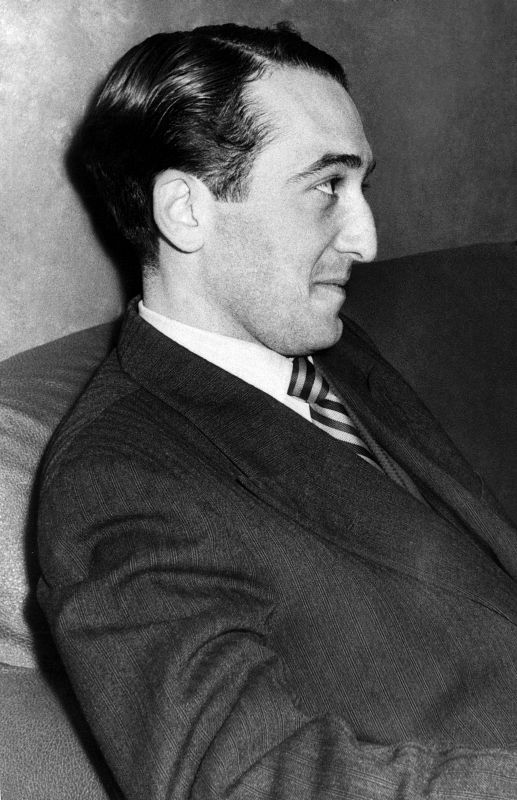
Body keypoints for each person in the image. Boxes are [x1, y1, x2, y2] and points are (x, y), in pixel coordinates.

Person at [37, 22, 517, 800]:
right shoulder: (113, 479)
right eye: (326, 186)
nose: (365, 239)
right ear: (184, 209)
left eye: (361, 187)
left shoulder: (328, 348)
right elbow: (242, 780)